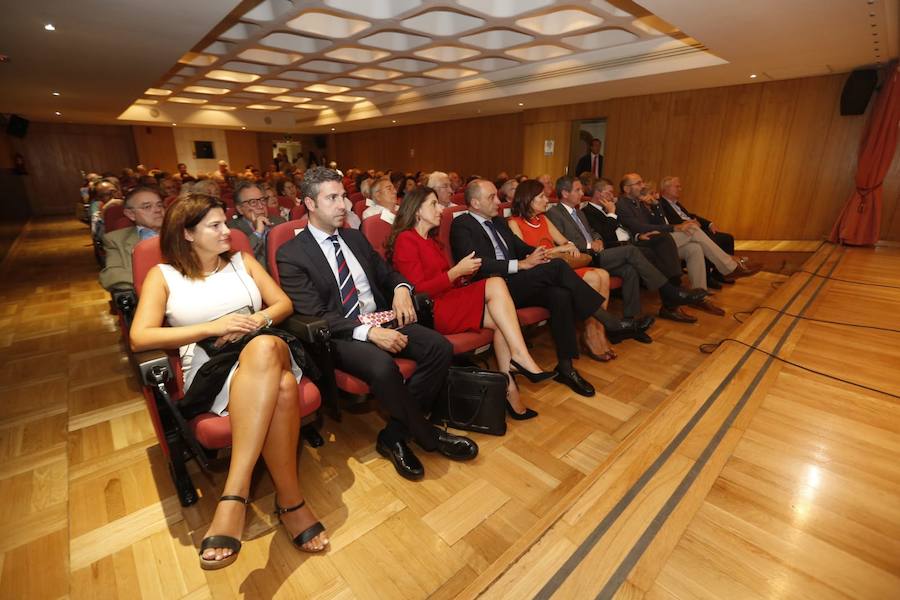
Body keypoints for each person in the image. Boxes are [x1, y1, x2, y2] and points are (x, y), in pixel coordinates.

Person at [129, 193, 328, 570]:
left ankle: (234, 495)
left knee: (265, 347)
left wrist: (255, 322)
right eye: (215, 225)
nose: (227, 231)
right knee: (284, 387)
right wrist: (213, 327)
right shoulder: (163, 275)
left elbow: (283, 305)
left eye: (225, 222)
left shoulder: (242, 261)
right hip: (211, 365)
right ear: (187, 233)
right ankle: (291, 502)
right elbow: (140, 337)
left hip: (266, 343)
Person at [276, 167, 478, 481]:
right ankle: (428, 434)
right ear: (310, 204)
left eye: (343, 196)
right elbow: (315, 313)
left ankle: (394, 435)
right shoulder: (291, 253)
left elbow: (388, 274)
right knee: (383, 366)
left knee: (439, 347)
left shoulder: (354, 238)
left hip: (381, 317)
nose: (342, 205)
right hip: (341, 334)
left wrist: (401, 289)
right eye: (332, 198)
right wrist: (369, 333)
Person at [450, 179, 651, 398]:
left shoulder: (498, 222)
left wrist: (537, 253)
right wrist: (521, 264)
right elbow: (476, 265)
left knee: (560, 295)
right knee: (557, 267)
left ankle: (566, 367)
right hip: (492, 290)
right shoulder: (462, 225)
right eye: (492, 197)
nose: (498, 202)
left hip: (515, 282)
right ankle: (610, 322)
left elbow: (520, 247)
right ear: (475, 203)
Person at [388, 187, 554, 419]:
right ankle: (520, 357)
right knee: (496, 283)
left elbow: (447, 280)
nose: (440, 209)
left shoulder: (432, 241)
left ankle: (511, 392)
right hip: (432, 310)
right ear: (417, 210)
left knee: (502, 321)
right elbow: (417, 291)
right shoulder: (407, 239)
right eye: (434, 204)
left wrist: (464, 274)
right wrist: (456, 272)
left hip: (449, 300)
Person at [547, 176, 709, 326]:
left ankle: (631, 319)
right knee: (631, 251)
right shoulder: (554, 213)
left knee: (629, 269)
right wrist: (590, 246)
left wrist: (597, 240)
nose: (582, 193)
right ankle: (670, 291)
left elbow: (593, 232)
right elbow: (564, 241)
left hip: (598, 252)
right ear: (565, 193)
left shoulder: (578, 212)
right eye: (577, 190)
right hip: (585, 256)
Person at [507, 180, 616, 361]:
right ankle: (592, 335)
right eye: (541, 196)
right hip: (542, 272)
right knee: (595, 278)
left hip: (559, 267)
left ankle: (598, 332)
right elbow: (528, 255)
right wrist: (559, 249)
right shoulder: (514, 223)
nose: (547, 200)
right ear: (528, 199)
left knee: (603, 274)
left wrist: (566, 247)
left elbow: (565, 242)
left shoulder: (543, 219)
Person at [617, 173, 759, 303]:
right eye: (638, 183)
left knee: (694, 248)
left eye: (642, 182)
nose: (642, 186)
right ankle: (729, 266)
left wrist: (655, 206)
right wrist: (674, 228)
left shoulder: (639, 203)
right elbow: (638, 227)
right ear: (627, 188)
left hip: (660, 241)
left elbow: (658, 223)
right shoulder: (622, 205)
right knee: (692, 229)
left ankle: (700, 294)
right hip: (647, 245)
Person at [659, 176, 737, 287]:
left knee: (725, 238)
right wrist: (688, 223)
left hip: (692, 231)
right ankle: (728, 267)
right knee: (695, 233)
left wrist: (709, 223)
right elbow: (668, 222)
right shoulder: (660, 204)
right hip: (680, 233)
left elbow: (690, 215)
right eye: (677, 186)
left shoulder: (676, 203)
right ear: (666, 188)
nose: (680, 189)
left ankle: (707, 284)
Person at [99, 186, 166, 292]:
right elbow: (112, 275)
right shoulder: (116, 239)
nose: (158, 210)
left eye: (160, 205)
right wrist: (158, 284)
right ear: (130, 214)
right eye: (147, 207)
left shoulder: (183, 233)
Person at [227, 180, 286, 270]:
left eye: (262, 200)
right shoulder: (232, 230)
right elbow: (240, 261)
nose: (261, 206)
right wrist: (258, 233)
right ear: (240, 209)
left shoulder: (279, 221)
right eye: (253, 202)